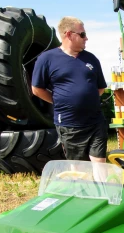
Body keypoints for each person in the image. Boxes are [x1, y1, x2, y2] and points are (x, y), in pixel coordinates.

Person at [32, 16, 107, 163]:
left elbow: (101, 88)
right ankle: (81, 187)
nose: (86, 38)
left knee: (100, 163)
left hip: (96, 121)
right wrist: (59, 101)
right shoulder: (47, 59)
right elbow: (37, 89)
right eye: (82, 34)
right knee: (78, 168)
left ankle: (100, 186)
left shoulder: (91, 59)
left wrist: (85, 100)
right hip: (69, 124)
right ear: (68, 34)